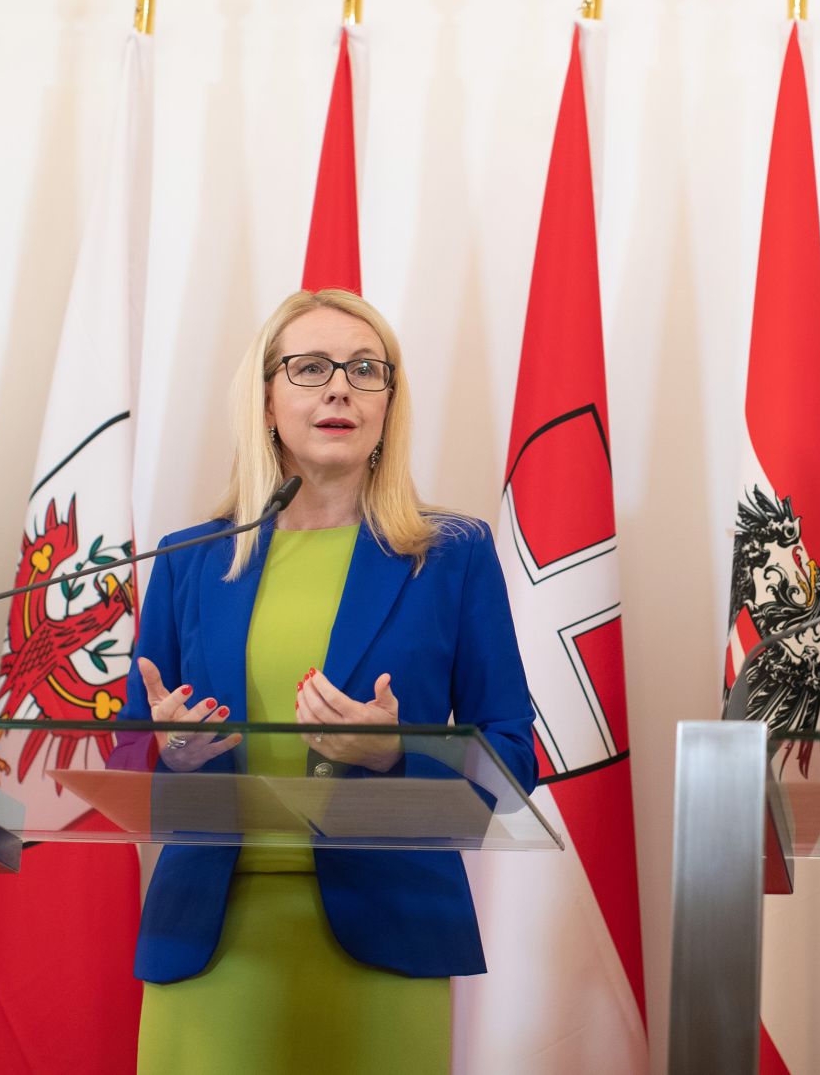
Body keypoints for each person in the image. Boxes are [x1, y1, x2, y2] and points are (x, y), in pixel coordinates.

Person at [111, 289, 536, 1074]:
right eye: (310, 368)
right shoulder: (191, 558)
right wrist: (169, 747)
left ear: (388, 403)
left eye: (365, 369)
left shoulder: (452, 555)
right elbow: (125, 755)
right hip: (211, 941)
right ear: (267, 400)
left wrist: (395, 752)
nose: (340, 386)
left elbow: (513, 759)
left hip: (388, 940)